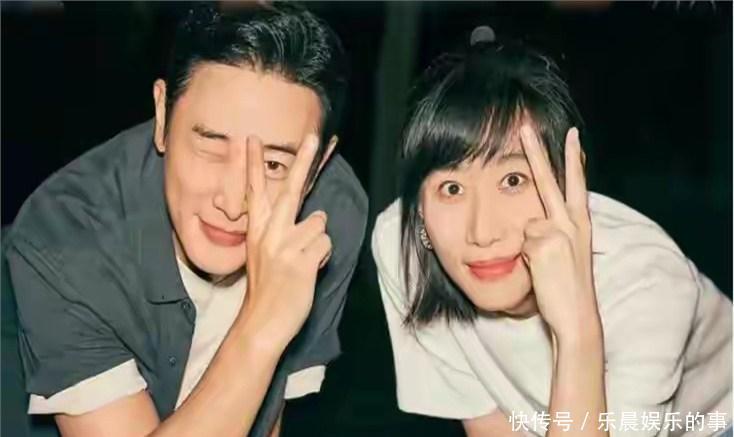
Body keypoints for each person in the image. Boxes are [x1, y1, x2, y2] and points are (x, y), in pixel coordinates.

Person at [5, 3, 367, 437]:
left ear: (318, 165)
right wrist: (262, 327)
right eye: (212, 145)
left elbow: (266, 416)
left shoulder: (330, 215)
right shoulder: (66, 236)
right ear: (162, 115)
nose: (233, 203)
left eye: (273, 164)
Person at [372, 32, 731, 437]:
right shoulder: (402, 244)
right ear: (419, 208)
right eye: (452, 189)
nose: (483, 232)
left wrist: (575, 330)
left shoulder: (646, 281)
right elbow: (491, 427)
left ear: (568, 180)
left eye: (513, 180)